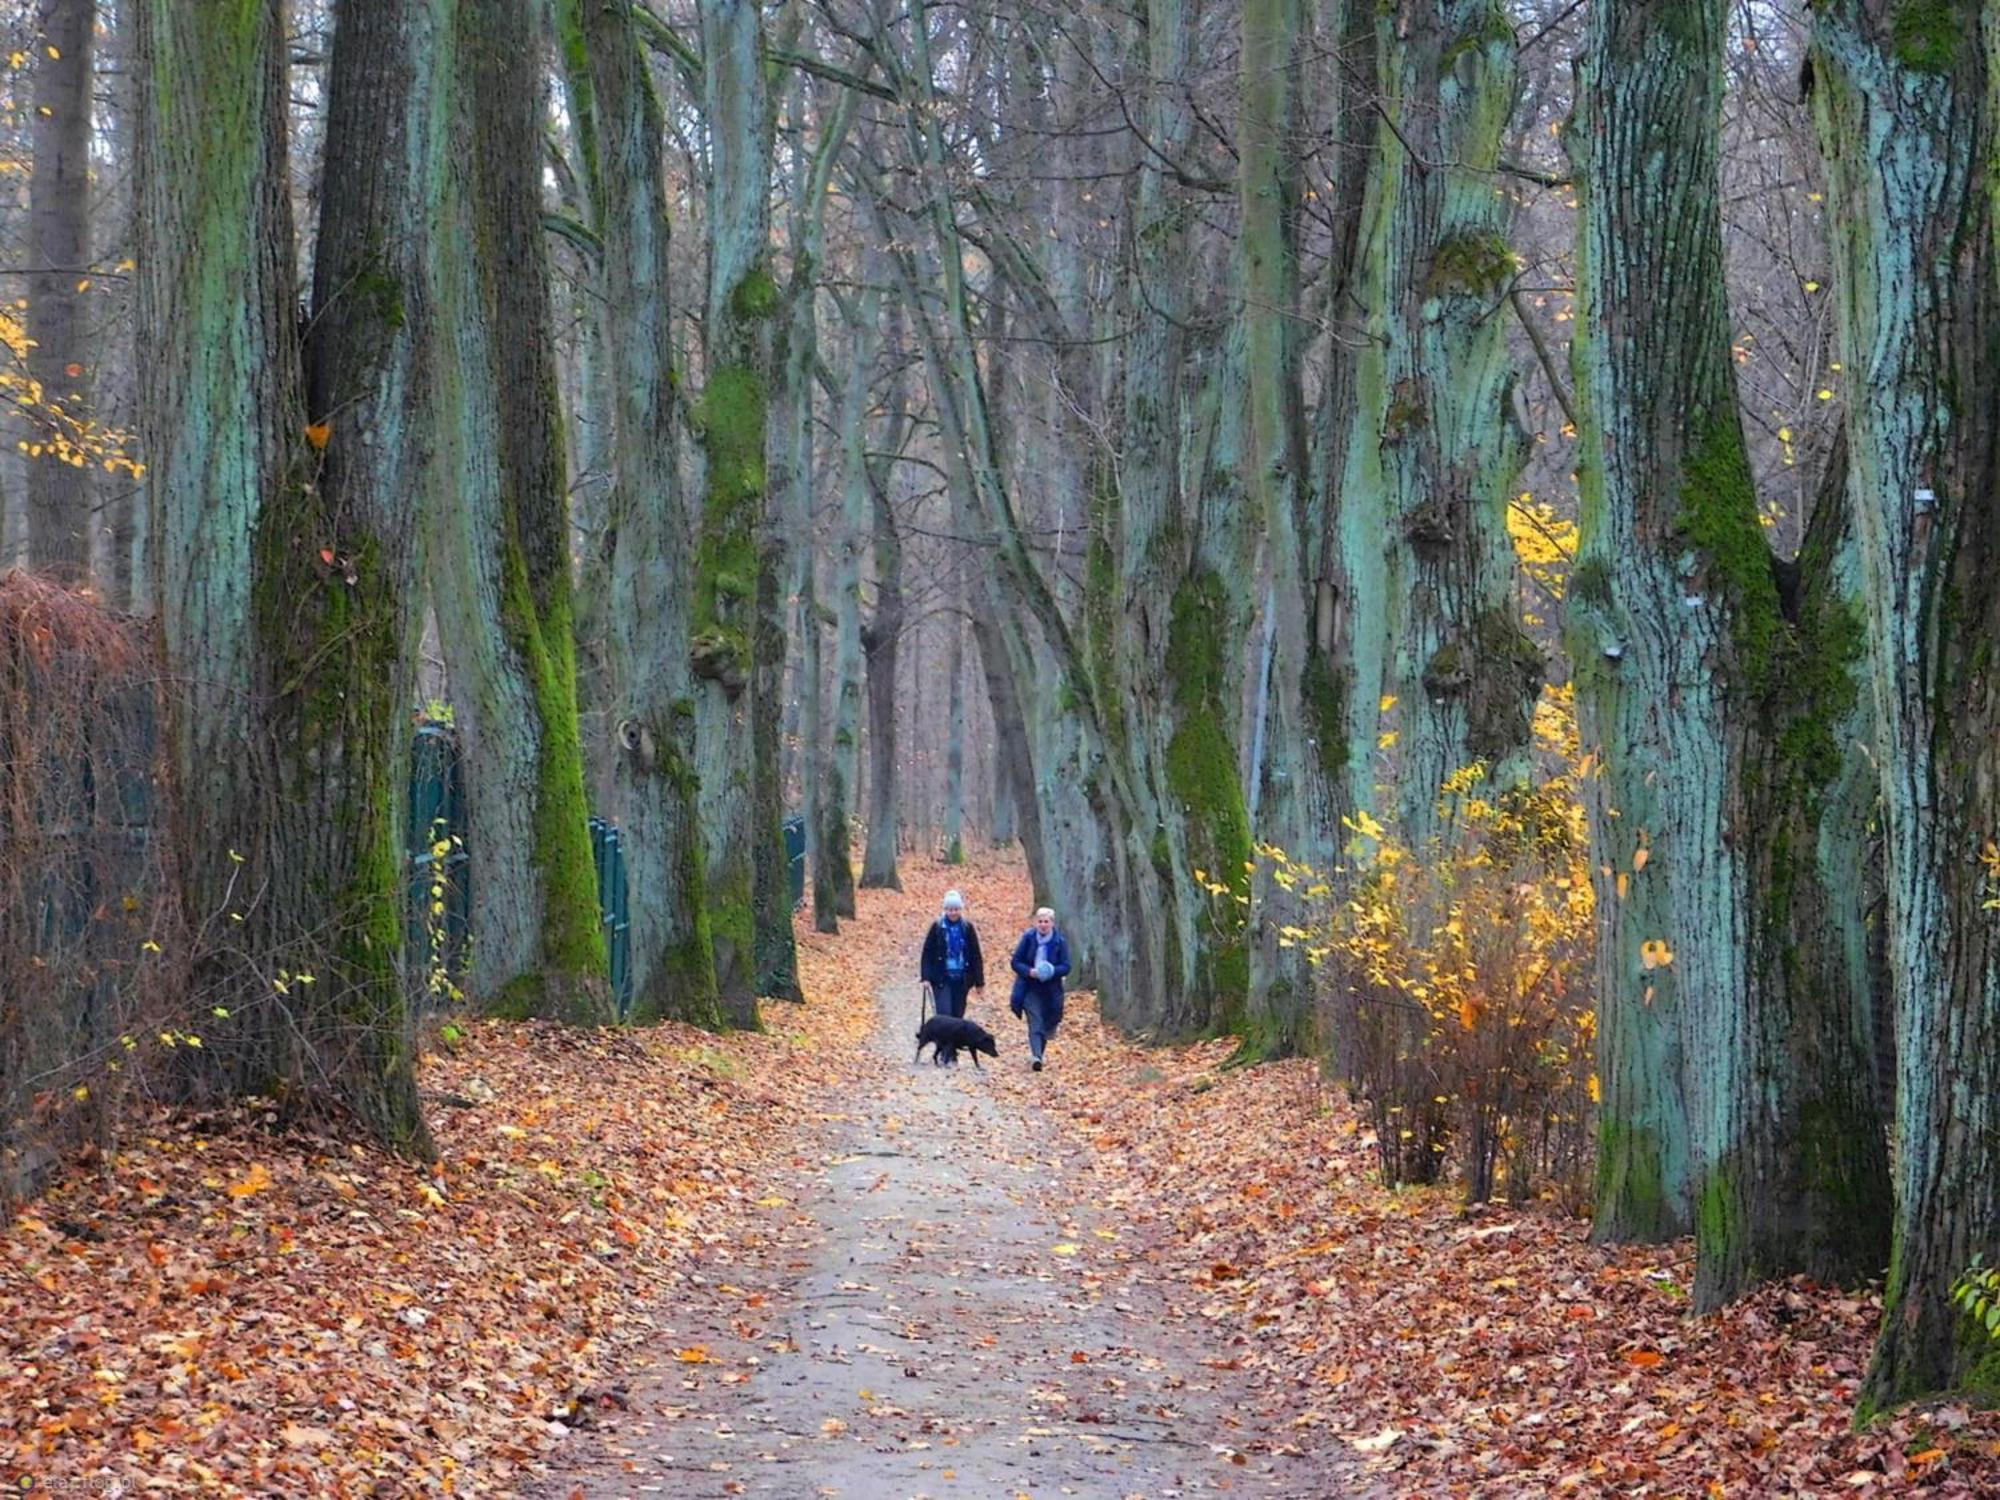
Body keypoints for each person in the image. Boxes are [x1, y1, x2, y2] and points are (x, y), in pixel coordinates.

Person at [1009, 907, 1071, 1072]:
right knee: (1035, 1021)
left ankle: (1040, 1052)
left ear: (1052, 923)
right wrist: (1030, 971)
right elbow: (1016, 962)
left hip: (1051, 989)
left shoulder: (1060, 942)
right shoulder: (1028, 938)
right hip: (1030, 986)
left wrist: (1051, 971)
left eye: (1046, 922)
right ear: (1036, 922)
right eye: (1040, 921)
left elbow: (1066, 966)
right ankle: (1036, 1056)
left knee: (1048, 1021)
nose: (1043, 925)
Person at [918, 889, 985, 1028]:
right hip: (941, 978)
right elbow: (927, 953)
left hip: (962, 978)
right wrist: (925, 977)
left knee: (957, 1016)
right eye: (950, 909)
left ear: (961, 909)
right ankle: (945, 1049)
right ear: (945, 910)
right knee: (944, 1015)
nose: (953, 913)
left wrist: (979, 982)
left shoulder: (967, 928)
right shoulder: (937, 927)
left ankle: (951, 1048)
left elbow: (975, 955)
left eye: (956, 909)